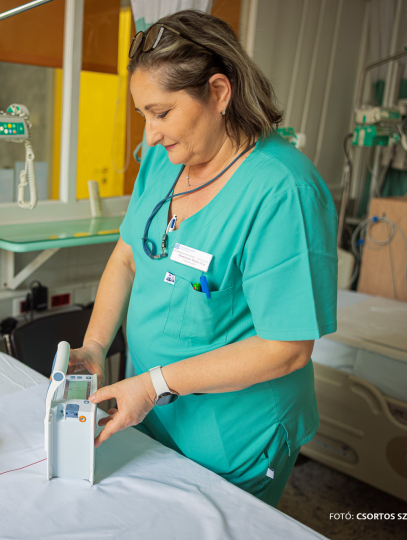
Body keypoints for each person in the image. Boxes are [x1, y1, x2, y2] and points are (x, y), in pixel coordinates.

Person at [68, 10, 338, 507]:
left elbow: (287, 348)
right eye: (143, 115)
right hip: (155, 414)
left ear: (218, 92)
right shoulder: (164, 158)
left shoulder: (283, 191)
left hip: (234, 436)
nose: (150, 134)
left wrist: (154, 385)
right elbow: (128, 256)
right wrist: (93, 348)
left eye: (161, 113)